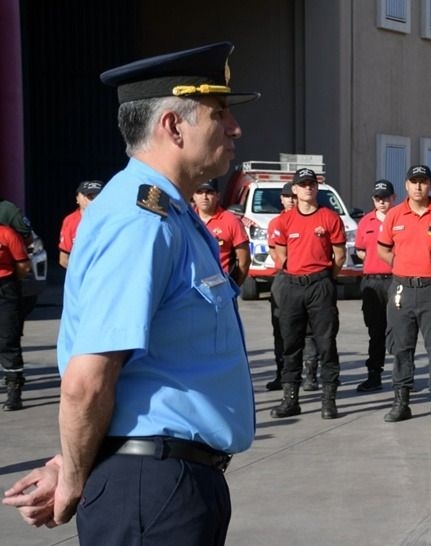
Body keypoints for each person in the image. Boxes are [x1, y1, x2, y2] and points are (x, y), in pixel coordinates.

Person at [2, 42, 258, 543]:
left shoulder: (172, 215)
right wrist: (73, 479)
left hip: (166, 481)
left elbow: (143, 378)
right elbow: (88, 379)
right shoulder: (140, 222)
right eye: (219, 113)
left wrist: (71, 458)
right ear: (173, 125)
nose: (234, 128)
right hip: (154, 489)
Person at [378, 165, 431, 423]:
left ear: (430, 185)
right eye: (413, 181)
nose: (418, 187)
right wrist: (401, 265)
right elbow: (382, 249)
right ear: (405, 185)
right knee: (401, 347)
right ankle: (401, 402)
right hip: (402, 288)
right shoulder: (395, 215)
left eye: (423, 181)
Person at [269, 167, 346, 420]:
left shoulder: (329, 217)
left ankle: (329, 399)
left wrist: (324, 278)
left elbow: (339, 255)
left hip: (320, 285)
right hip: (292, 285)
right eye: (302, 184)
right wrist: (293, 272)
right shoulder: (283, 220)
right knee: (291, 343)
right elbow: (280, 254)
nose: (307, 188)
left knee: (326, 343)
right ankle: (291, 399)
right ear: (295, 189)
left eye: (311, 184)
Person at [353, 179, 396, 392]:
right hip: (372, 281)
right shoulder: (366, 222)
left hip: (395, 280)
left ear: (393, 198)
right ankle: (374, 374)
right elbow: (360, 250)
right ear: (373, 200)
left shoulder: (399, 219)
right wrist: (372, 259)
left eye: (385, 198)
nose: (382, 202)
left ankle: (403, 375)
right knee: (375, 331)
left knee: (399, 330)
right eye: (378, 199)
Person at [265, 182, 297, 391]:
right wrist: (287, 266)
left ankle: (310, 373)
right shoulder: (276, 223)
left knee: (310, 331)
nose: (291, 200)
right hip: (284, 277)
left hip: (308, 278)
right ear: (282, 199)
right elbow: (273, 251)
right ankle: (282, 373)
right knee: (281, 329)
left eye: (293, 196)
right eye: (287, 196)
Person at [192, 178, 251, 286]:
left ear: (218, 196)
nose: (204, 197)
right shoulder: (187, 219)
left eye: (209, 193)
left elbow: (244, 261)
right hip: (191, 287)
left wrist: (233, 287)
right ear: (194, 196)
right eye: (200, 192)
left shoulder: (231, 221)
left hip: (220, 287)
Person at [0, 224, 29, 411]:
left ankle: (14, 390)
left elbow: (23, 265)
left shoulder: (7, 233)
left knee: (7, 340)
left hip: (5, 289)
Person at [58, 180, 103, 269]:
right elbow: (63, 259)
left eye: (98, 196)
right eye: (90, 197)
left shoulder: (113, 219)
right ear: (78, 198)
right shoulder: (71, 221)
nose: (93, 200)